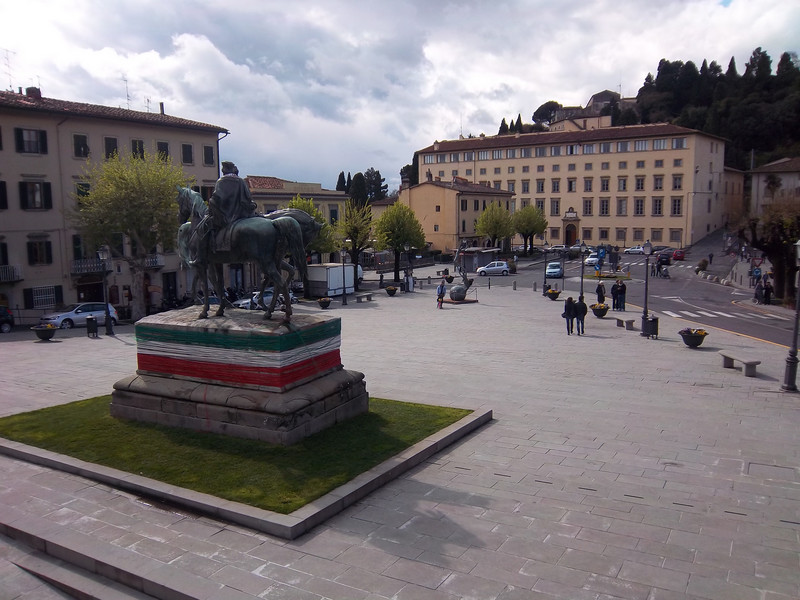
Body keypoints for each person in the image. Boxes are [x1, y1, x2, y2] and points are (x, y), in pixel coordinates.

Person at [208, 161, 257, 251]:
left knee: (207, 225)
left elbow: (217, 198)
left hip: (226, 215)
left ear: (224, 170)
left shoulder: (221, 181)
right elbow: (248, 198)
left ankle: (211, 246)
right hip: (242, 214)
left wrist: (211, 203)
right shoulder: (241, 181)